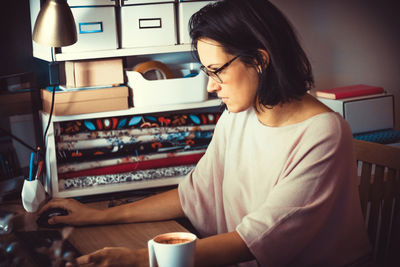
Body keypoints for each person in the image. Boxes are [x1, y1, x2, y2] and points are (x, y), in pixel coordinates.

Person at [39, 0, 372, 266]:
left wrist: (144, 259)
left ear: (259, 61)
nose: (211, 86)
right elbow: (193, 194)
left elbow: (255, 239)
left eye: (217, 72)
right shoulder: (239, 115)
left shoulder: (323, 134)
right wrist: (99, 215)